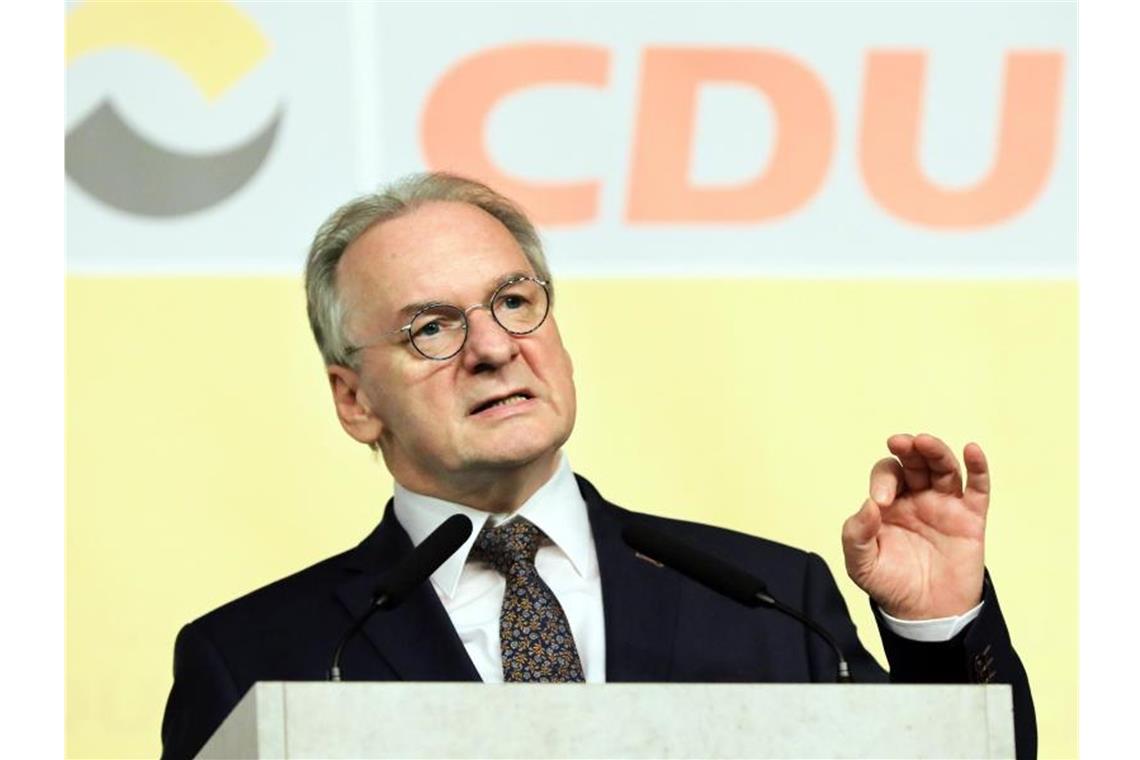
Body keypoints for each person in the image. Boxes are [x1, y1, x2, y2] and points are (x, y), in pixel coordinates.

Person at [161, 173, 1035, 759]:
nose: (495, 349)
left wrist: (938, 627)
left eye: (512, 301)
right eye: (431, 327)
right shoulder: (259, 658)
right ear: (354, 400)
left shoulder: (769, 601)